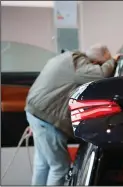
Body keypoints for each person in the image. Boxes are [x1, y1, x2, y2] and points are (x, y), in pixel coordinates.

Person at [25, 44, 116, 185]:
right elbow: (102, 73)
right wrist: (113, 60)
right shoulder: (79, 66)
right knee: (59, 168)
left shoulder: (67, 57)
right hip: (47, 118)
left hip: (35, 112)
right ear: (95, 62)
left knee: (42, 164)